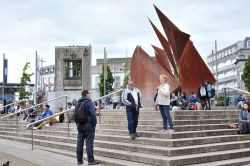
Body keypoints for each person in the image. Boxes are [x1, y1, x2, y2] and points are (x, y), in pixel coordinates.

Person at [76, 90, 99, 165]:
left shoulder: (78, 103)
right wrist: (94, 124)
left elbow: (75, 114)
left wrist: (77, 124)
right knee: (89, 143)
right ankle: (91, 160)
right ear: (86, 95)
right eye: (89, 93)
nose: (90, 94)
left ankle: (79, 160)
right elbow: (93, 114)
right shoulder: (89, 102)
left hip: (80, 125)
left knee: (79, 143)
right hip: (88, 125)